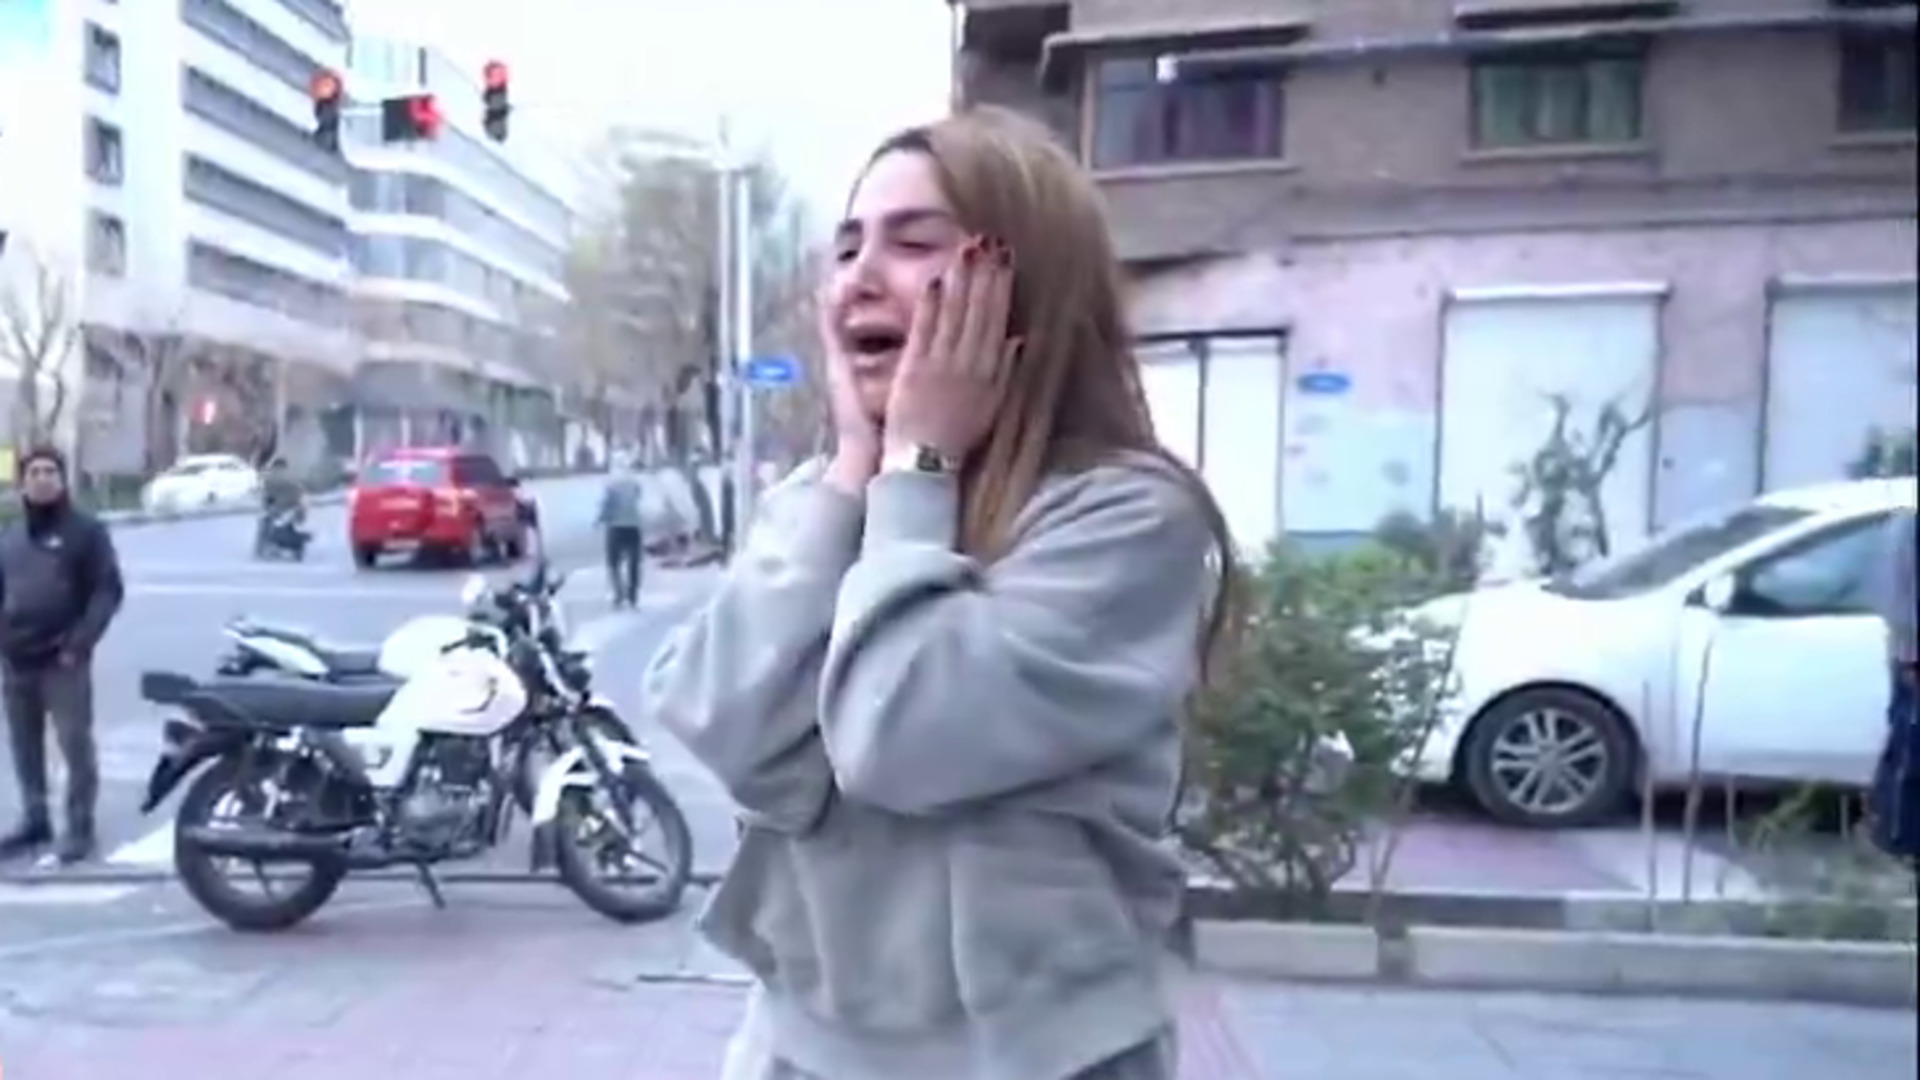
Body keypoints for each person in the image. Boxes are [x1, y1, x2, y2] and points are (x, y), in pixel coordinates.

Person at [642, 107, 1239, 1080]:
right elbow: (724, 722)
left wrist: (917, 468)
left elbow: (902, 741)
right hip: (799, 1046)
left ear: (1025, 283)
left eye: (914, 243)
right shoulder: (827, 500)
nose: (859, 279)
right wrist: (855, 466)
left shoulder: (1125, 517)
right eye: (847, 248)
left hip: (1041, 1058)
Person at [0, 445, 125, 865]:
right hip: (17, 659)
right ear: (22, 482)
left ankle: (80, 826)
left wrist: (79, 644)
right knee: (24, 745)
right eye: (34, 472)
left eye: (49, 472)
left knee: (75, 744)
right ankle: (35, 819)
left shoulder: (85, 532)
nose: (42, 479)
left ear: (62, 479)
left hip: (64, 659)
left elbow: (107, 591)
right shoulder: (11, 536)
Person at [1870, 507, 1917, 861]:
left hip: (1907, 659)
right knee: (1909, 755)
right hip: (1912, 661)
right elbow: (1902, 611)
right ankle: (1901, 839)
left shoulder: (1902, 527)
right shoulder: (1908, 530)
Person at [596, 454, 645, 608]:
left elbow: (608, 504)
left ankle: (619, 592)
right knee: (634, 562)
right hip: (633, 525)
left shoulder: (611, 483)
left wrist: (601, 518)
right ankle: (632, 594)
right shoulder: (634, 482)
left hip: (616, 527)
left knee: (613, 562)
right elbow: (638, 496)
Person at [256, 458, 304, 554]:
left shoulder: (270, 478)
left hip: (279, 507)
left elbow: (267, 493)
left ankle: (263, 547)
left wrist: (268, 502)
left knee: (266, 522)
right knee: (291, 522)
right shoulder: (291, 477)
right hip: (290, 506)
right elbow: (299, 491)